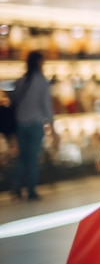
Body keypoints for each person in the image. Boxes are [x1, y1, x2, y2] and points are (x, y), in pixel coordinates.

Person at [11, 50, 58, 200]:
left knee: (22, 157)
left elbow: (13, 101)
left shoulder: (21, 81)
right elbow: (46, 106)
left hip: (21, 123)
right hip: (36, 124)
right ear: (38, 62)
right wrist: (52, 127)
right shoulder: (42, 82)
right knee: (32, 158)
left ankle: (17, 187)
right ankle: (31, 190)